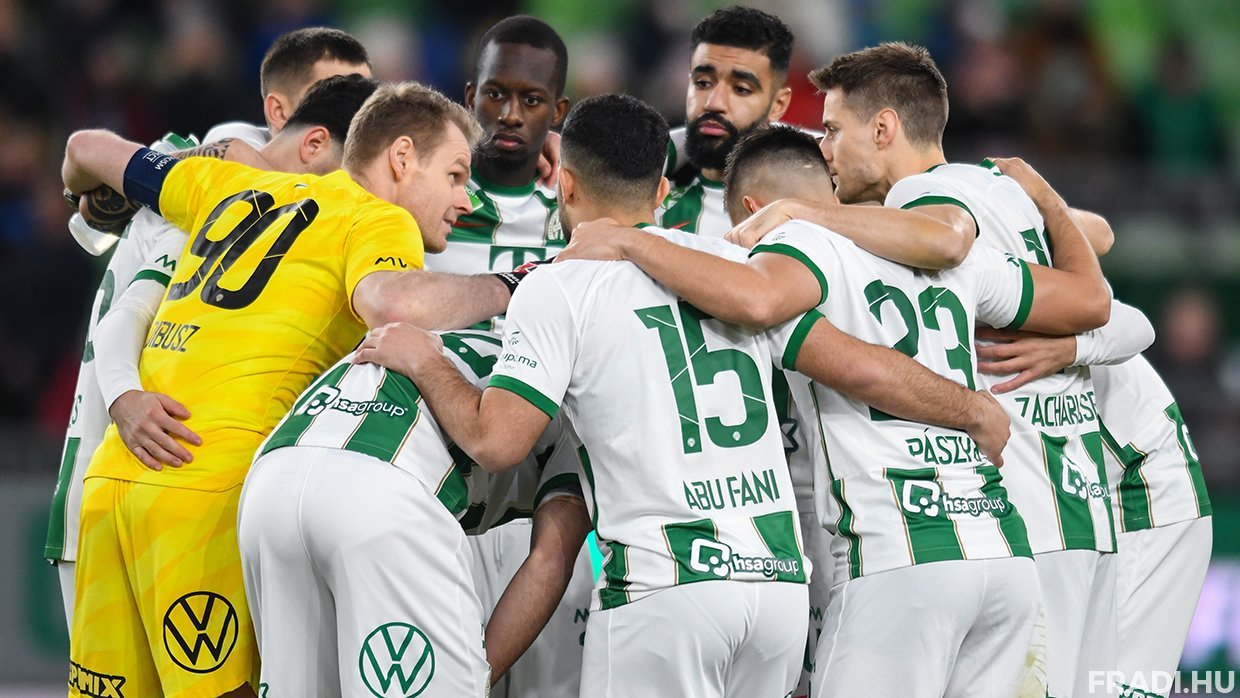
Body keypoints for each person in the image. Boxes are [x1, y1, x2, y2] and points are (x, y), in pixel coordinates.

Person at [355, 94, 1019, 698]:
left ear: (565, 183)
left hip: (667, 588)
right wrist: (971, 409)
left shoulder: (558, 286)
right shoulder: (734, 272)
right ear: (662, 190)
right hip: (777, 594)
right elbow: (863, 367)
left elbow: (497, 442)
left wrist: (426, 359)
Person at [560, 120, 1114, 696]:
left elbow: (773, 311)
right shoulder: (941, 250)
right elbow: (1093, 302)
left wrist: (630, 240)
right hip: (1003, 551)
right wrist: (1070, 329)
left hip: (903, 549)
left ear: (752, 210)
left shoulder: (797, 247)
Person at [61, 81, 515, 698]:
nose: (464, 199)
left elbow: (85, 148)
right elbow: (390, 301)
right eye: (456, 175)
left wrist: (86, 195)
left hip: (114, 480)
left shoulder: (229, 183)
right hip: (205, 487)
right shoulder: (378, 219)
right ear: (402, 157)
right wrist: (513, 284)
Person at [45, 27, 372, 628]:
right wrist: (124, 396)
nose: (357, 110)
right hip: (130, 460)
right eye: (335, 92)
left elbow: (88, 164)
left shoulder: (259, 180)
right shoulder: (226, 184)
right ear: (283, 114)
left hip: (184, 479)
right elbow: (129, 316)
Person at [238, 326, 589, 696]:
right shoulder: (591, 409)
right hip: (385, 486)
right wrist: (467, 681)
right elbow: (549, 561)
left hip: (273, 477)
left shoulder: (486, 340)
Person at [420, 16, 593, 698]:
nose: (510, 114)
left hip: (545, 504)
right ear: (470, 96)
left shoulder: (582, 214)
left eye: (531, 100)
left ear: (559, 110)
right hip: (438, 499)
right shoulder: (424, 200)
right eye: (495, 94)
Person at [659, 6, 792, 237]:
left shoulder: (815, 196)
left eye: (741, 89)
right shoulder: (644, 196)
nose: (713, 103)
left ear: (778, 105)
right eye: (703, 83)